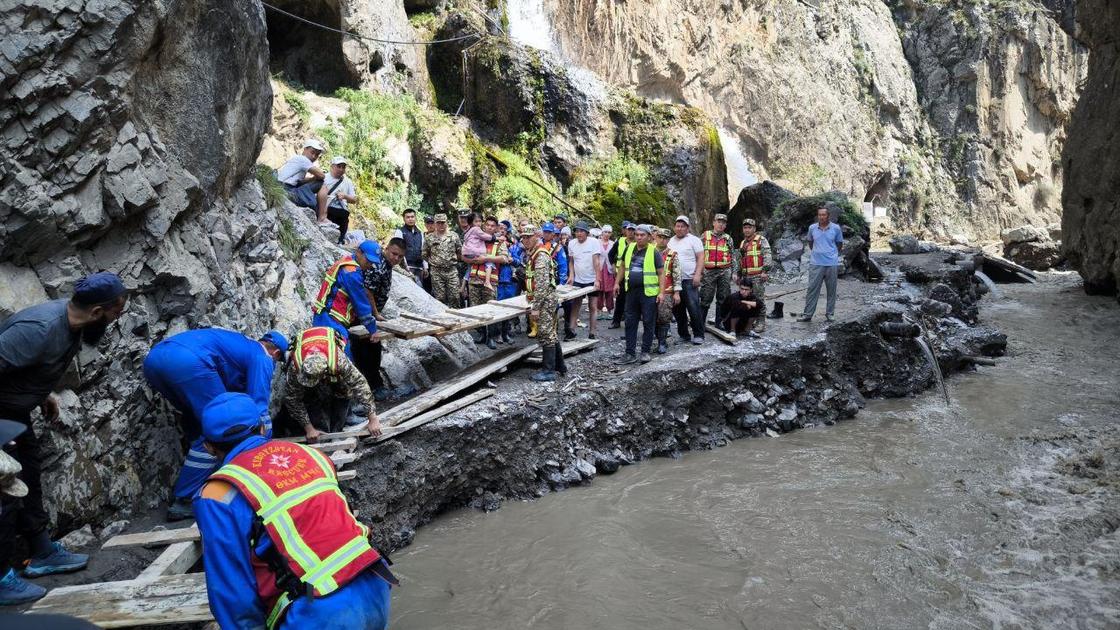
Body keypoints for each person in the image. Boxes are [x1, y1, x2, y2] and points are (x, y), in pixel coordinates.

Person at [193, 393, 396, 630]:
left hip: (318, 611)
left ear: (208, 447)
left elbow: (231, 589)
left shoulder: (217, 494)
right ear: (262, 428)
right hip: (373, 583)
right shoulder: (313, 456)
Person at [0, 272, 129, 597]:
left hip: (15, 411)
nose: (116, 322)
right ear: (97, 312)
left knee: (27, 476)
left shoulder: (72, 324)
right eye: (116, 314)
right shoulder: (40, 329)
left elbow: (23, 366)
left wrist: (42, 394)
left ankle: (42, 551)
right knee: (4, 494)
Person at [143, 328, 289, 520]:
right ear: (276, 353)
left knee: (197, 420)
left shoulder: (241, 346)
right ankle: (185, 498)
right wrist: (264, 448)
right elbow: (258, 407)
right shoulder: (263, 357)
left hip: (155, 359)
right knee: (218, 431)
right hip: (190, 362)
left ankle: (201, 472)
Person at [283, 327, 381, 440]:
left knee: (345, 387)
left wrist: (372, 419)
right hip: (307, 346)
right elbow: (292, 399)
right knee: (311, 396)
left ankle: (343, 421)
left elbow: (360, 384)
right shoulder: (295, 367)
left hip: (329, 348)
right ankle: (320, 427)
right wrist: (309, 428)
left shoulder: (339, 361)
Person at [357, 239, 407, 401]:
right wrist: (376, 313)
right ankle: (373, 388)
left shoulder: (387, 265)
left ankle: (375, 386)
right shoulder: (378, 266)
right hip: (364, 316)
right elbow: (367, 291)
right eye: (393, 254)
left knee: (373, 350)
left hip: (369, 316)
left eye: (400, 256)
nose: (396, 258)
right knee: (368, 351)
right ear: (386, 249)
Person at [312, 241, 381, 343]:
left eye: (372, 263)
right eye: (368, 261)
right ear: (359, 252)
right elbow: (361, 304)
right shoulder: (352, 273)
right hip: (331, 321)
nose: (370, 265)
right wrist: (372, 330)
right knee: (341, 354)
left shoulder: (346, 261)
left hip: (322, 315)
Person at [616, 225, 665, 364]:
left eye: (642, 235)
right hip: (631, 292)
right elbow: (622, 266)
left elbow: (661, 274)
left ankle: (645, 352)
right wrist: (616, 283)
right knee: (630, 322)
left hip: (648, 293)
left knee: (649, 321)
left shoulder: (654, 252)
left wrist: (661, 293)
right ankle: (630, 353)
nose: (638, 237)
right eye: (637, 235)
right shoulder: (629, 248)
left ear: (649, 237)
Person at [524, 228, 567, 382]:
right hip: (545, 299)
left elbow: (542, 284)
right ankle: (560, 366)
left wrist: (536, 307)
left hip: (545, 301)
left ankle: (548, 371)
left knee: (545, 334)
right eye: (523, 237)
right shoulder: (534, 253)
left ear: (536, 237)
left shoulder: (540, 255)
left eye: (529, 237)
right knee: (551, 333)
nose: (525, 240)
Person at [466, 217, 511, 349]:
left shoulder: (499, 242)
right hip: (474, 279)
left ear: (496, 228)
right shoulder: (477, 239)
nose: (490, 227)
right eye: (488, 225)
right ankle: (482, 334)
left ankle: (491, 337)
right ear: (484, 227)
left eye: (493, 226)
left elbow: (505, 258)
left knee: (491, 309)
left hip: (490, 281)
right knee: (476, 309)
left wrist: (487, 258)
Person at [798, 207, 844, 322]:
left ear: (828, 216)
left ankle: (830, 314)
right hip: (816, 263)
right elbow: (810, 242)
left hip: (831, 264)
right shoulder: (812, 228)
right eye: (819, 215)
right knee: (812, 289)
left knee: (831, 290)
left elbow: (839, 243)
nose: (821, 217)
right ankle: (807, 314)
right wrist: (818, 252)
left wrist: (832, 254)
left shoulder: (836, 228)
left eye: (824, 215)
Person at [668, 215, 705, 344]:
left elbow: (701, 257)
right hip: (674, 281)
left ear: (688, 228)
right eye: (678, 226)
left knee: (693, 307)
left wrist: (698, 274)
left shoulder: (694, 240)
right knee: (678, 310)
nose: (680, 228)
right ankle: (684, 335)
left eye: (683, 226)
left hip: (689, 279)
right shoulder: (670, 241)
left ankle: (699, 334)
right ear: (674, 227)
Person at [734, 218, 773, 332]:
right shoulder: (743, 243)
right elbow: (740, 260)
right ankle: (751, 320)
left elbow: (767, 255)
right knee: (747, 298)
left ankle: (761, 322)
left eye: (749, 227)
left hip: (757, 275)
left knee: (758, 299)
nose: (747, 230)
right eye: (745, 228)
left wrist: (765, 271)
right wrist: (738, 274)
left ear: (754, 229)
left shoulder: (761, 240)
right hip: (746, 277)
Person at [565, 221, 603, 340]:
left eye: (581, 231)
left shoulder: (594, 242)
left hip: (591, 278)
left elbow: (596, 261)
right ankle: (571, 330)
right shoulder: (571, 243)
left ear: (586, 233)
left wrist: (597, 279)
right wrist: (571, 275)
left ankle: (592, 332)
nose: (579, 233)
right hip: (578, 279)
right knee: (576, 304)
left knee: (592, 305)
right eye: (577, 231)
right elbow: (571, 261)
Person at [700, 213, 734, 325]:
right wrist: (698, 271)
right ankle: (700, 323)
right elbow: (698, 254)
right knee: (705, 297)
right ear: (713, 223)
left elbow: (732, 255)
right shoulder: (705, 236)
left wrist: (733, 272)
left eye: (723, 222)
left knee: (723, 298)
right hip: (708, 271)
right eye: (718, 222)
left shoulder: (728, 238)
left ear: (725, 225)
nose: (720, 224)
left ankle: (719, 322)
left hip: (724, 271)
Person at [422, 214, 463, 308]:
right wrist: (436, 262)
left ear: (446, 223)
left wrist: (451, 261)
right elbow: (424, 254)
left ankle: (455, 318)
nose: (441, 225)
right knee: (439, 298)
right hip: (436, 272)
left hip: (451, 271)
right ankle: (441, 319)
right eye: (438, 223)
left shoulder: (454, 236)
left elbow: (459, 252)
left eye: (443, 223)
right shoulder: (429, 238)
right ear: (435, 224)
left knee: (455, 296)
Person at [654, 228, 682, 354]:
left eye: (665, 238)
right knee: (650, 317)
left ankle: (662, 343)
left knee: (664, 317)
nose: (662, 239)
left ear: (668, 239)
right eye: (660, 237)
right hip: (650, 290)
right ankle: (654, 340)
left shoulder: (672, 254)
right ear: (656, 237)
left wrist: (677, 293)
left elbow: (676, 275)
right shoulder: (650, 251)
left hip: (667, 291)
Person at [276, 140, 326, 210]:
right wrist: (317, 177)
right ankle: (321, 214)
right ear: (305, 149)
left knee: (316, 182)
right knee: (321, 183)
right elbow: (322, 176)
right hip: (286, 189)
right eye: (312, 152)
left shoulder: (298, 158)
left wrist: (312, 179)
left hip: (283, 187)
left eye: (317, 155)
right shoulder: (303, 159)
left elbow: (299, 182)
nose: (314, 156)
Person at [317, 156, 358, 239]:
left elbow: (354, 199)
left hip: (342, 210)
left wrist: (345, 196)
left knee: (343, 219)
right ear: (332, 166)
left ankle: (340, 239)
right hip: (327, 209)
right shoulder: (324, 177)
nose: (341, 169)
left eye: (343, 167)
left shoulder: (348, 181)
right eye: (339, 166)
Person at [609, 222, 637, 330]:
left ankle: (630, 323)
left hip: (633, 275)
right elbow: (611, 254)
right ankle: (616, 321)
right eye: (628, 230)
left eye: (632, 230)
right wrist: (612, 265)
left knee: (632, 300)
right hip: (621, 274)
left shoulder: (638, 243)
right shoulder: (620, 241)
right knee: (620, 299)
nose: (630, 232)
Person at [391, 209, 425, 286]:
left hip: (419, 267)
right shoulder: (400, 232)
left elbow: (423, 250)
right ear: (404, 219)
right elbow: (398, 250)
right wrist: (405, 267)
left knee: (420, 290)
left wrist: (425, 267)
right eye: (408, 217)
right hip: (406, 268)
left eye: (412, 217)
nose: (410, 219)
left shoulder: (420, 233)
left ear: (415, 218)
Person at [597, 225, 616, 318]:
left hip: (609, 270)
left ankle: (610, 310)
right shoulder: (597, 243)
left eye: (609, 232)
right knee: (599, 291)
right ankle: (599, 311)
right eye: (605, 232)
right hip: (599, 269)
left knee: (609, 291)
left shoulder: (613, 244)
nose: (607, 234)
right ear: (602, 232)